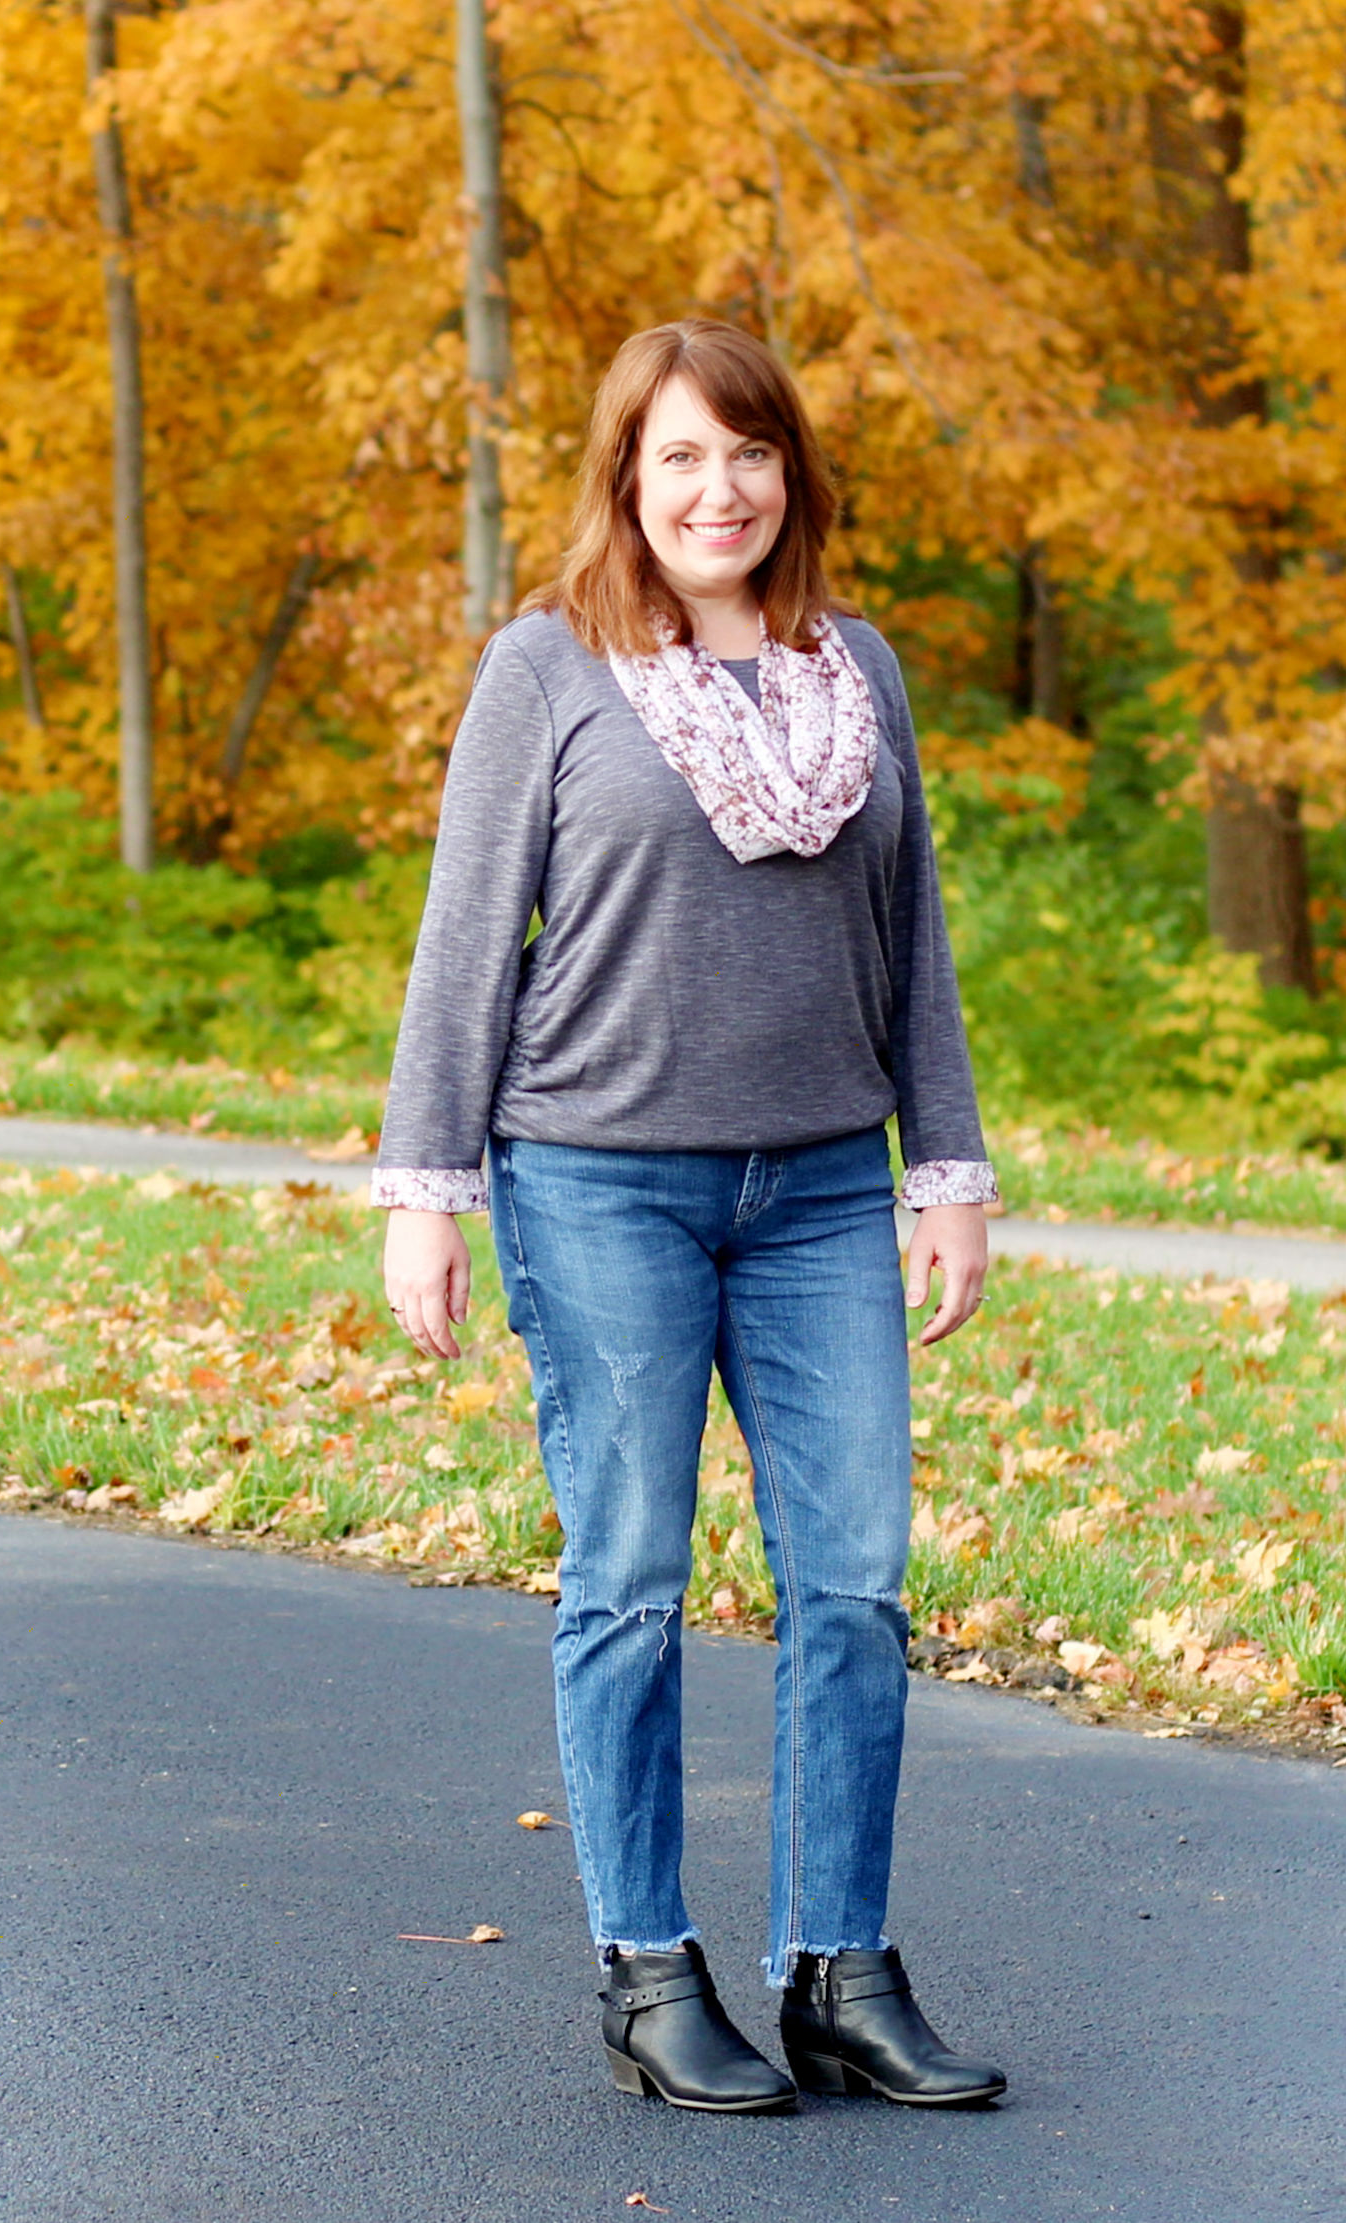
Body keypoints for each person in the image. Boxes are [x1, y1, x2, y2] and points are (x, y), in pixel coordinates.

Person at [373, 317, 1006, 2116]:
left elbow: (914, 950)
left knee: (854, 1590)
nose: (715, 489)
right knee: (631, 1580)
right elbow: (461, 941)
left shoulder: (854, 669)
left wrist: (941, 1171)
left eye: (747, 453)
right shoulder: (549, 668)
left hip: (820, 1186)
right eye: (676, 458)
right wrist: (428, 1193)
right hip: (597, 1186)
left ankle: (838, 1969)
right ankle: (649, 1973)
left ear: (789, 475)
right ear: (624, 483)